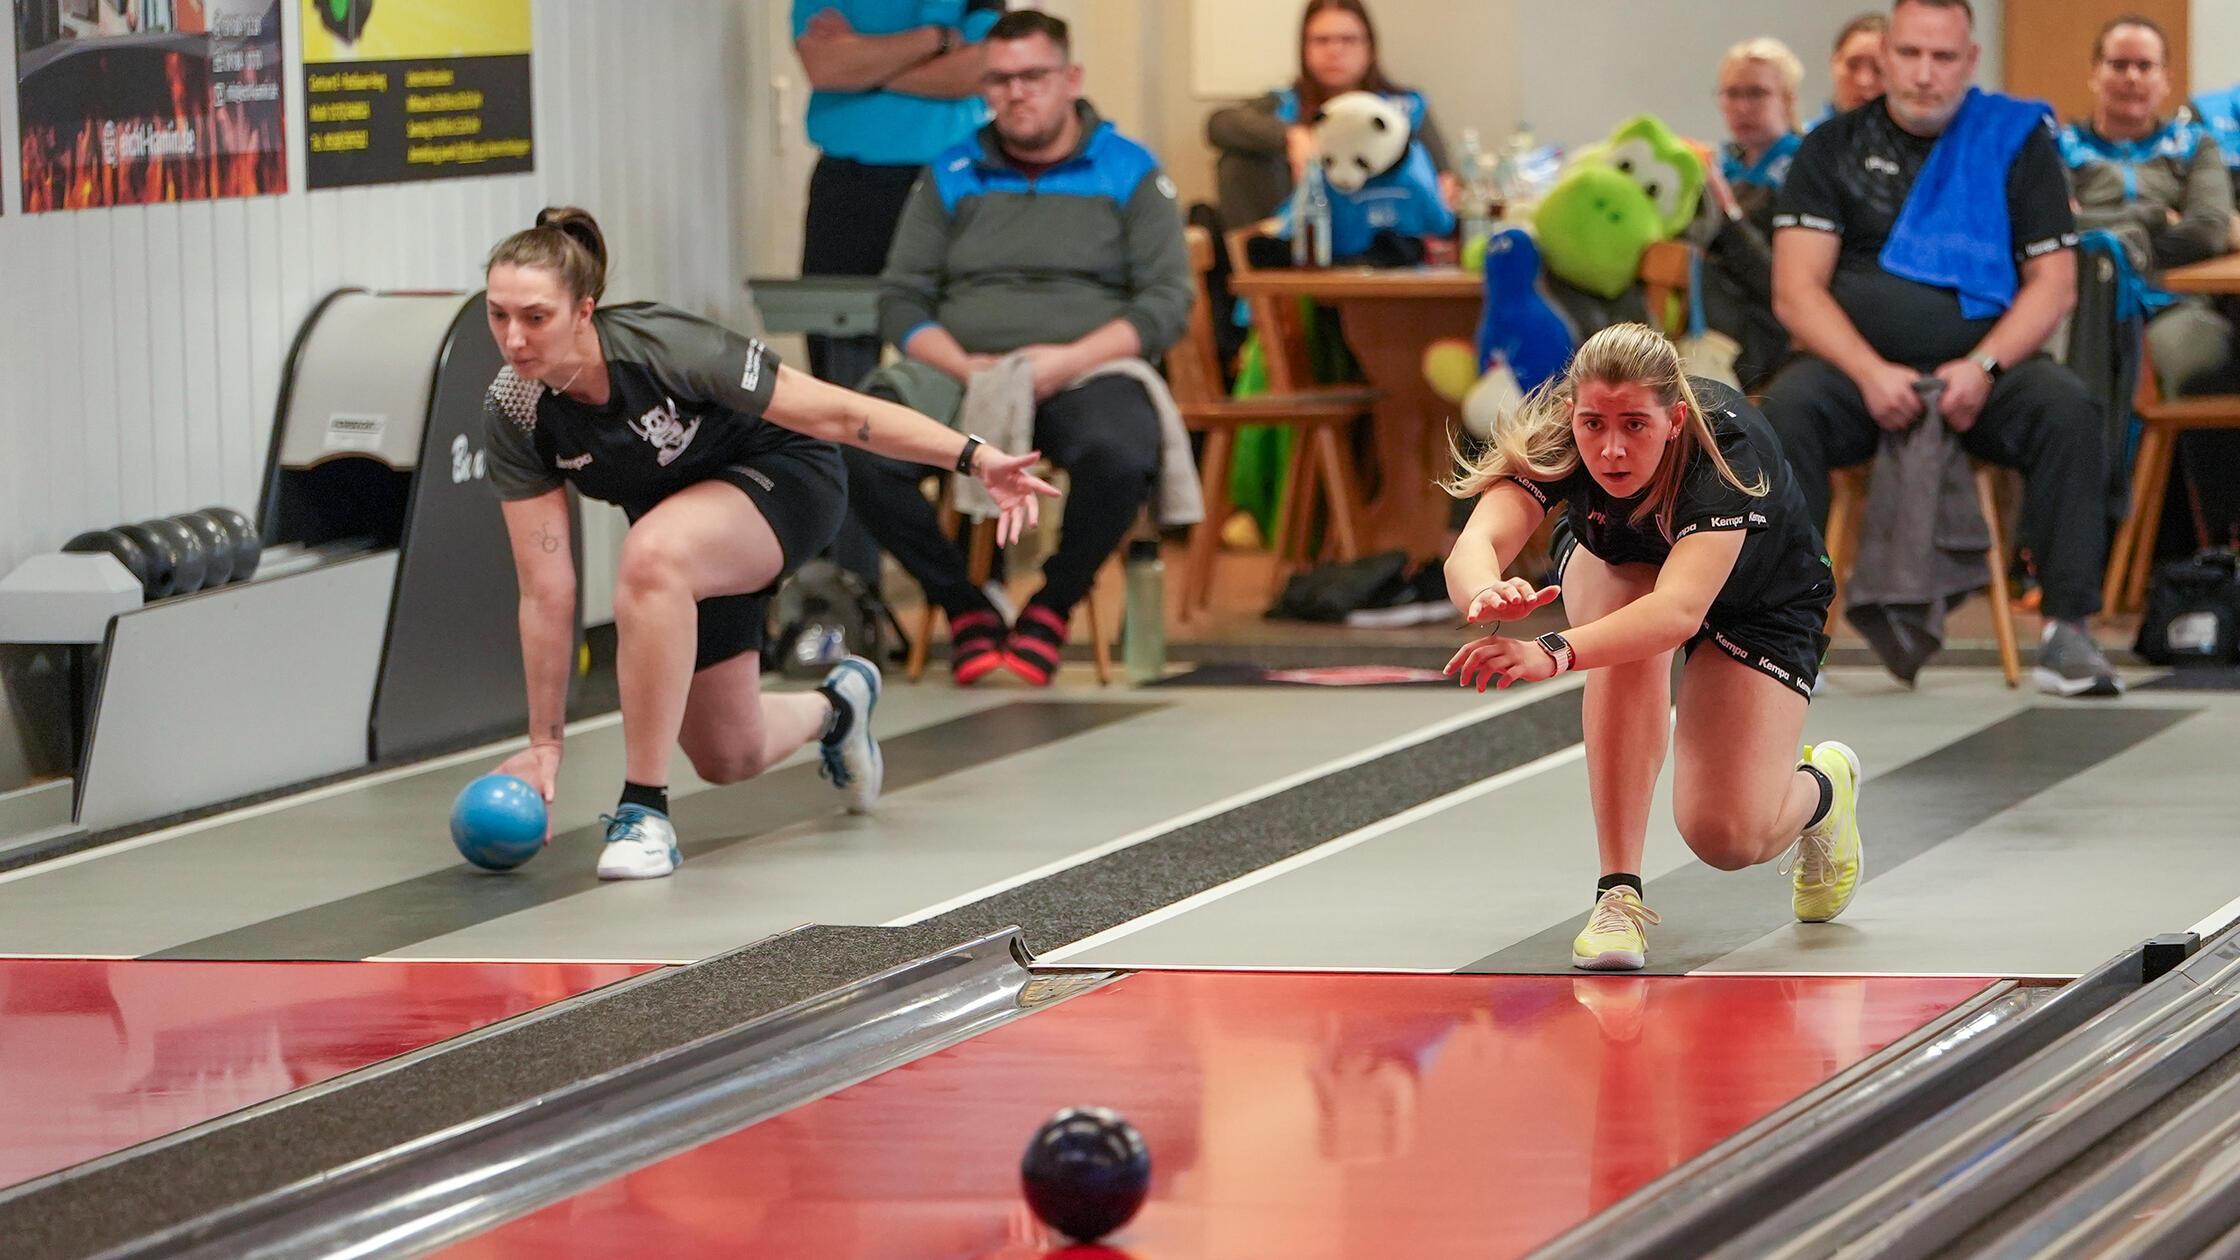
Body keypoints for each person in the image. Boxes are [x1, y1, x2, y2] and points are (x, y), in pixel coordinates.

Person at [478, 208, 1057, 880]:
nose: (514, 339)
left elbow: (837, 413)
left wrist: (973, 455)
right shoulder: (514, 410)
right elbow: (546, 587)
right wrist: (545, 743)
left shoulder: (665, 347)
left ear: (584, 310)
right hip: (693, 536)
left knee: (653, 553)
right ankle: (839, 707)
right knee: (729, 753)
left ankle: (643, 814)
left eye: (535, 317)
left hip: (788, 477)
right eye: (498, 316)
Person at [1442, 324, 1860, 972]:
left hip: (1760, 598)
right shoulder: (1564, 435)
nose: (1610, 449)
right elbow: (1476, 544)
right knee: (1620, 625)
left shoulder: (1725, 451)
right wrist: (1486, 594)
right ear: (1572, 415)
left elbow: (1677, 611)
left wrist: (1550, 650)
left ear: (1675, 420)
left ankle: (1825, 789)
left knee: (1726, 837)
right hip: (1626, 566)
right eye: (1594, 425)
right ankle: (1618, 896)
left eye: (1634, 425)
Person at [1762, 0, 2121, 697]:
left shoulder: (2017, 143)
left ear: (1971, 62)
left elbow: (2053, 287)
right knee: (1783, 413)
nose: (1925, 75)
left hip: (1983, 370)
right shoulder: (1830, 147)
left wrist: (1984, 368)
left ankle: (2067, 632)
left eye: (1944, 57)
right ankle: (1787, 635)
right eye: (1910, 55)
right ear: (1886, 54)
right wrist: (1869, 373)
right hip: (1857, 374)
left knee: (2070, 410)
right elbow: (1795, 293)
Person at [849, 10, 1192, 686]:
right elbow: (900, 299)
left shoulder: (1130, 169)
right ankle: (965, 605)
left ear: (1070, 79)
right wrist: (963, 365)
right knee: (858, 444)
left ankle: (1051, 607)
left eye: (1033, 76)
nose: (1016, 93)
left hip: (1084, 367)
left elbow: (1165, 303)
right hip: (960, 367)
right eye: (999, 80)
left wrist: (1066, 362)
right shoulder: (948, 171)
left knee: (1122, 451)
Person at [2060, 15, 2238, 396]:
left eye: (2145, 66)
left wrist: (2098, 230)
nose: (2132, 78)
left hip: (2174, 303)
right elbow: (2056, 231)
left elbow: (2208, 231)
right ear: (2094, 73)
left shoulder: (2196, 145)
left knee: (2189, 357)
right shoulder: (2058, 147)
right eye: (2118, 65)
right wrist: (2155, 217)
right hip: (2078, 305)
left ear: (2166, 79)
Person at [1204, 0, 1455, 229]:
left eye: (1348, 40)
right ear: (1304, 47)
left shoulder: (1405, 107)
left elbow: (1444, 178)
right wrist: (1292, 136)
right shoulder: (1286, 103)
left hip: (1391, 234)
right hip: (1309, 232)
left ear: (1369, 46)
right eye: (1322, 40)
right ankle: (1260, 268)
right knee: (1237, 160)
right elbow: (1218, 124)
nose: (1335, 50)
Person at [1699, 36, 1808, 390]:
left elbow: (1778, 281)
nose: (1742, 106)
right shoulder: (1724, 162)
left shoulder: (1806, 168)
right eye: (1731, 93)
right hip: (1711, 325)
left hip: (1767, 344)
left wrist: (1725, 210)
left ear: (1788, 99)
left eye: (1757, 93)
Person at [1813, 13, 1889, 129]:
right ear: (1833, 63)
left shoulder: (1919, 144)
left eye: (1879, 69)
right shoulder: (1804, 142)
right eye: (1852, 65)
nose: (1864, 81)